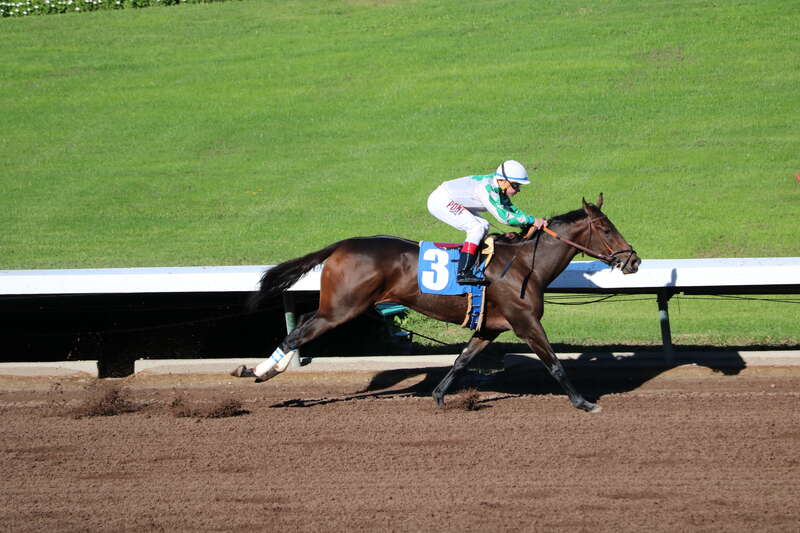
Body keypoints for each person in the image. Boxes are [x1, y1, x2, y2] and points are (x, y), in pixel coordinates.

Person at [426, 160, 548, 285]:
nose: (518, 190)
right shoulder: (487, 189)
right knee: (476, 228)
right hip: (441, 201)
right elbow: (504, 218)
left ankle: (475, 263)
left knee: (484, 225)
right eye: (516, 185)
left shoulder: (498, 186)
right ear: (503, 181)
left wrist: (532, 220)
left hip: (450, 198)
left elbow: (512, 210)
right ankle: (463, 273)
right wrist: (531, 220)